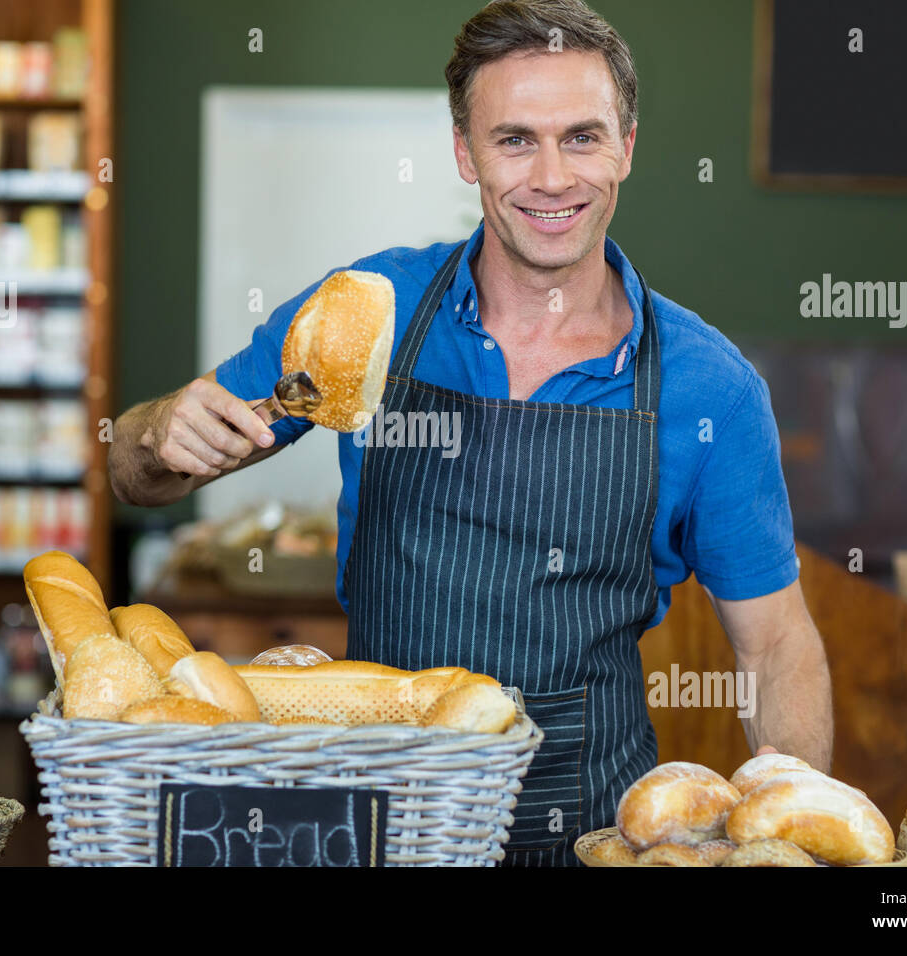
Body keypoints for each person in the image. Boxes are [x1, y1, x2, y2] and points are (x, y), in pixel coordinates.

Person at [109, 0, 832, 866]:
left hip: (589, 836)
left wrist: (793, 825)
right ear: (464, 151)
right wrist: (160, 435)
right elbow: (135, 475)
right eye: (516, 139)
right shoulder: (370, 310)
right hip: (374, 825)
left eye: (584, 137)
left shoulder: (708, 386)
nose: (554, 177)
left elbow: (777, 640)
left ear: (627, 146)